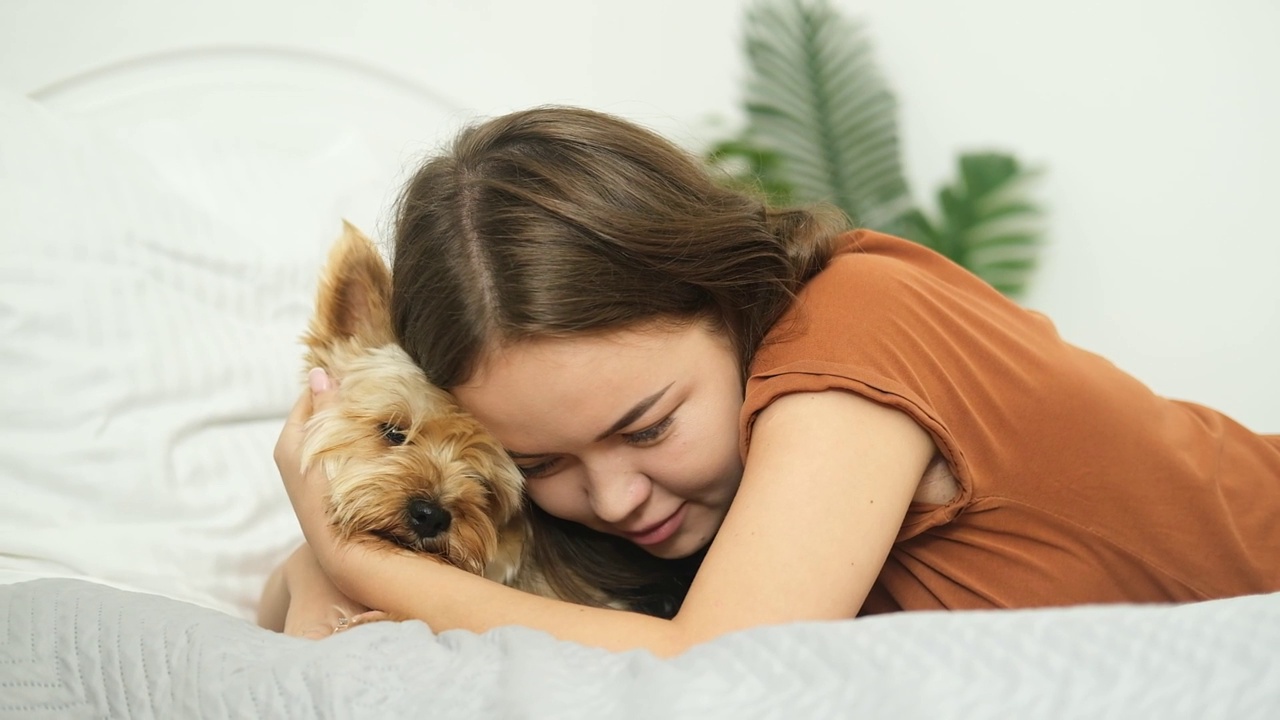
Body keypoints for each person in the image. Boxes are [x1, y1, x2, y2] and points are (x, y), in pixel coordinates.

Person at [261, 106, 1280, 656]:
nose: (612, 498)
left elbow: (715, 671)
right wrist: (314, 559)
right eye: (541, 462)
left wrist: (354, 562)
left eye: (648, 428)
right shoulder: (698, 511)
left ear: (729, 297)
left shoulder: (853, 332)